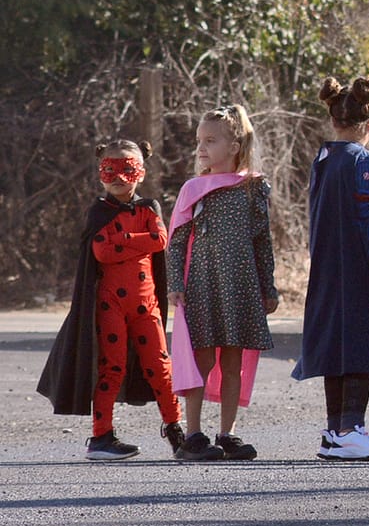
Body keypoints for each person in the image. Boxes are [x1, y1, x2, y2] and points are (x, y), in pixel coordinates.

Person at [38, 139, 184, 460]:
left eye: (127, 169)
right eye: (110, 169)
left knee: (160, 367)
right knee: (111, 368)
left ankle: (174, 428)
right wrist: (137, 241)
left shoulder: (149, 208)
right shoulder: (98, 211)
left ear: (141, 173)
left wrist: (124, 239)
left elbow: (160, 240)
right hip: (110, 305)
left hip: (146, 305)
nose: (119, 176)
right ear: (100, 172)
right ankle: (102, 436)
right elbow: (101, 250)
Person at [294, 77, 369, 461]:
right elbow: (367, 220)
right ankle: (351, 428)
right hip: (356, 269)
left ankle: (335, 429)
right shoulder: (361, 162)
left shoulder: (323, 160)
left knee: (336, 346)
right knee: (359, 346)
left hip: (327, 267)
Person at [167, 105, 277, 462]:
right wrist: (174, 284)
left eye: (211, 141)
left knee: (233, 363)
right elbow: (177, 240)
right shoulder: (194, 189)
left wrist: (268, 287)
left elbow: (263, 241)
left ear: (235, 145)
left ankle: (227, 433)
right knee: (202, 361)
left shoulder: (254, 187)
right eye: (199, 141)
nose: (201, 148)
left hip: (242, 287)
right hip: (202, 286)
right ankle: (194, 435)